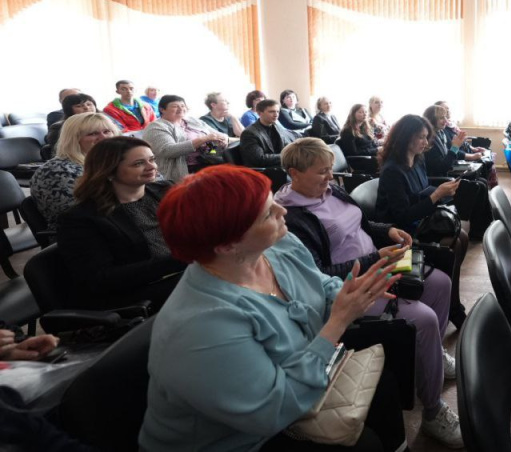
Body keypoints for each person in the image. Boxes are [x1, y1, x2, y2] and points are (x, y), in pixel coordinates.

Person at [140, 165, 406, 452]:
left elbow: (320, 283)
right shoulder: (203, 325)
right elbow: (274, 411)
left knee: (387, 381)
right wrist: (338, 320)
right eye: (268, 213)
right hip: (239, 440)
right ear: (228, 246)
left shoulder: (279, 245)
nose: (283, 211)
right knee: (366, 444)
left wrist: (347, 293)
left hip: (287, 389)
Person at [276, 139, 463, 447]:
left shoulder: (330, 190)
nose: (329, 178)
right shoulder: (291, 218)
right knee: (424, 319)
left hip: (379, 260)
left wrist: (386, 230)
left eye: (329, 170)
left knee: (440, 283)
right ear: (294, 173)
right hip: (350, 284)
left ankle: (430, 356)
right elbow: (318, 274)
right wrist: (375, 259)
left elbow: (362, 224)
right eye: (321, 172)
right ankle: (433, 412)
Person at [57, 137, 185, 310]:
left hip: (177, 273)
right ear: (109, 171)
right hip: (133, 294)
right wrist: (179, 259)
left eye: (152, 159)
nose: (152, 167)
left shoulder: (164, 190)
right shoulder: (81, 218)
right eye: (138, 163)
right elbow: (100, 279)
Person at [376, 115, 468, 329]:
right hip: (401, 233)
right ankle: (453, 308)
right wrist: (435, 196)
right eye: (421, 137)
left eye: (427, 137)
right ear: (405, 138)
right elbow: (402, 216)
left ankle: (450, 300)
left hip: (419, 220)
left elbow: (420, 193)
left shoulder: (418, 160)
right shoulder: (392, 170)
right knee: (450, 250)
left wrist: (440, 192)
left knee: (461, 237)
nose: (426, 143)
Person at [31, 113, 119, 228]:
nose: (104, 138)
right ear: (73, 139)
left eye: (107, 131)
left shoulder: (106, 161)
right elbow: (80, 217)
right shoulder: (57, 172)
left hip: (115, 225)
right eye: (92, 134)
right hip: (84, 235)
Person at [423, 105, 491, 240]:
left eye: (445, 117)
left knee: (482, 182)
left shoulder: (441, 134)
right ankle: (477, 232)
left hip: (447, 175)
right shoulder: (430, 140)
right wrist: (454, 147)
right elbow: (441, 167)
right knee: (478, 187)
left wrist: (459, 150)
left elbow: (452, 153)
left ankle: (486, 226)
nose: (445, 121)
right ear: (432, 119)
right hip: (438, 181)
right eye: (441, 118)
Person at [144, 95, 229, 183]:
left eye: (183, 106)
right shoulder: (156, 127)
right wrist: (203, 139)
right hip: (186, 169)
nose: (181, 109)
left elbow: (217, 133)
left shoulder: (192, 120)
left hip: (210, 159)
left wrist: (224, 138)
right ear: (162, 109)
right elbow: (168, 150)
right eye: (175, 106)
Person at [239, 99, 295, 168]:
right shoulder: (249, 133)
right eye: (271, 112)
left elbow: (286, 145)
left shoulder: (276, 126)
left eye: (277, 111)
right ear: (259, 113)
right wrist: (287, 156)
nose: (276, 115)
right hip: (266, 171)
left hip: (279, 165)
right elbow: (259, 159)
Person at [42, 92, 97, 159]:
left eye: (89, 104)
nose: (86, 108)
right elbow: (63, 151)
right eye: (79, 106)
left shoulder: (104, 123)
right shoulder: (58, 128)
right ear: (69, 110)